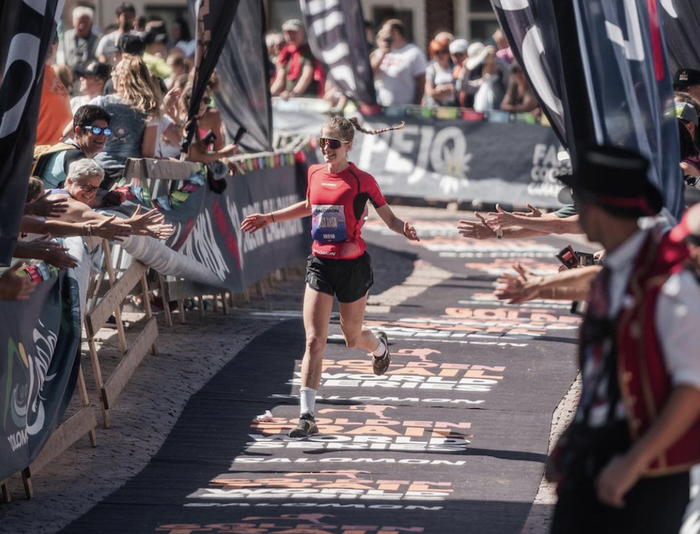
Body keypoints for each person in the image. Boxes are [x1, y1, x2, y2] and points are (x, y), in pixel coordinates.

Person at [546, 145, 700, 534]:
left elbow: (694, 387)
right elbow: (601, 375)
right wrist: (569, 440)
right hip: (591, 457)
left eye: (581, 202)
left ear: (597, 209)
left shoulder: (668, 281)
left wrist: (632, 463)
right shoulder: (613, 274)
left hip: (645, 470)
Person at [241, 117, 419, 438]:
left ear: (348, 146)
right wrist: (270, 218)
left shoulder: (362, 180)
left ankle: (378, 347)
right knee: (313, 340)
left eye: (333, 143)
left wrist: (403, 227)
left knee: (352, 339)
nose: (326, 148)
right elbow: (310, 205)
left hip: (352, 268)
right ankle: (307, 415)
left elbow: (388, 216)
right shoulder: (314, 173)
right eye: (322, 141)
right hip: (320, 264)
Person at [46, 159, 172, 241]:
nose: (91, 194)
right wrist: (138, 226)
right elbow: (104, 222)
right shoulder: (69, 205)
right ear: (69, 181)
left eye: (96, 189)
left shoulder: (52, 192)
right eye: (87, 187)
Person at [90, 55, 160, 187]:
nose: (111, 74)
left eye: (115, 70)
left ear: (123, 78)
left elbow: (71, 132)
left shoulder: (99, 103)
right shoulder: (150, 108)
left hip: (98, 171)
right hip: (130, 177)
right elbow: (148, 153)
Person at [36, 104, 111, 190]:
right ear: (79, 131)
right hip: (45, 202)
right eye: (96, 130)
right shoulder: (75, 156)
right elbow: (86, 195)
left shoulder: (67, 148)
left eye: (106, 131)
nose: (102, 136)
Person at [371, 19, 427, 106]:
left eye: (385, 32)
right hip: (381, 107)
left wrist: (416, 105)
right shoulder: (379, 52)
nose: (382, 35)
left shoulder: (414, 53)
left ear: (395, 33)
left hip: (404, 108)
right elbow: (371, 73)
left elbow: (421, 81)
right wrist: (382, 54)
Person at [36, 34, 73, 147]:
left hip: (59, 148)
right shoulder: (31, 75)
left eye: (54, 41)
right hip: (39, 152)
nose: (50, 46)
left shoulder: (51, 71)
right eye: (46, 41)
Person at [271, 19, 322, 99]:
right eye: (288, 33)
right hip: (288, 99)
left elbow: (306, 76)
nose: (291, 36)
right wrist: (269, 94)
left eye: (294, 33)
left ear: (303, 32)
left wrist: (294, 94)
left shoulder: (309, 52)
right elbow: (280, 79)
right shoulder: (285, 54)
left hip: (306, 99)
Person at [60, 5, 100, 77]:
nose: (82, 26)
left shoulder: (97, 39)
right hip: (69, 76)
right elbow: (61, 57)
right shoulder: (66, 37)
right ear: (73, 22)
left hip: (88, 77)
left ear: (90, 24)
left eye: (85, 23)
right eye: (79, 22)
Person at [424, 39, 458, 107]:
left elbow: (459, 89)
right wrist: (448, 90)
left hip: (454, 108)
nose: (440, 55)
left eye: (443, 52)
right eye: (436, 52)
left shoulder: (454, 68)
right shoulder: (431, 69)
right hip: (436, 108)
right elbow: (430, 92)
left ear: (448, 53)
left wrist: (442, 90)